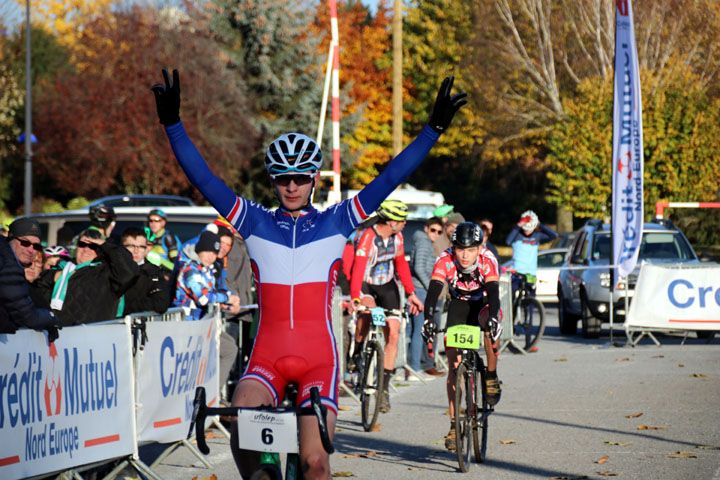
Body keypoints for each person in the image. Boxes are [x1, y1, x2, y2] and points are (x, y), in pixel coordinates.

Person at [151, 68, 465, 479]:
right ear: (273, 180)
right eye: (284, 178)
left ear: (314, 178)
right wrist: (173, 125)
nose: (292, 186)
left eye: (301, 177)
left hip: (318, 359)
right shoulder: (253, 221)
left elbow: (390, 176)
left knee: (316, 463)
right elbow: (204, 178)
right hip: (268, 357)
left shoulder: (338, 220)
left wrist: (433, 130)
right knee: (242, 422)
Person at [421, 222, 503, 451]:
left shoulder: (488, 259)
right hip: (459, 305)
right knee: (454, 367)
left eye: (470, 250)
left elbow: (495, 294)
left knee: (490, 327)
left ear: (480, 247)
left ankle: (491, 375)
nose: (465, 256)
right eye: (460, 249)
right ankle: (455, 424)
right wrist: (428, 319)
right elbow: (434, 291)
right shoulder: (445, 260)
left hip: (485, 303)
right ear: (453, 247)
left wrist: (494, 318)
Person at [349, 199, 424, 412]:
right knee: (369, 313)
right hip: (367, 285)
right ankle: (357, 351)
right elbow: (357, 269)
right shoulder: (368, 238)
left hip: (387, 286)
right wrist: (355, 298)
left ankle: (383, 389)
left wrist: (411, 293)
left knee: (393, 333)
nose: (405, 224)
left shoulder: (397, 238)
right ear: (390, 221)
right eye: (402, 220)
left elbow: (401, 265)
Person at [36, 228, 139, 325]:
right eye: (82, 244)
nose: (86, 249)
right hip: (62, 335)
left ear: (100, 250)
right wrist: (54, 277)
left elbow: (130, 272)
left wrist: (105, 244)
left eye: (92, 246)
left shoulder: (107, 273)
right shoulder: (63, 269)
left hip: (93, 336)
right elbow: (38, 287)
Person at [0, 234, 61, 338]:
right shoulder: (11, 289)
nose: (32, 267)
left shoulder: (42, 293)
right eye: (28, 263)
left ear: (42, 267)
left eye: (37, 262)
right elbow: (27, 317)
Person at [407, 216, 444, 380]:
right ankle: (414, 368)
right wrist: (432, 288)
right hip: (421, 290)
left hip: (421, 288)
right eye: (433, 230)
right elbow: (419, 268)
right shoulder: (423, 242)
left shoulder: (425, 242)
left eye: (439, 232)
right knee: (419, 330)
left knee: (415, 329)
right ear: (426, 229)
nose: (436, 234)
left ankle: (410, 368)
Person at [505, 210, 558, 297]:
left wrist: (539, 225)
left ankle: (529, 310)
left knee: (530, 296)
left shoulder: (537, 235)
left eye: (530, 230)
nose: (527, 232)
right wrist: (518, 226)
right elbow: (508, 241)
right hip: (517, 272)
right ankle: (513, 309)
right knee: (512, 294)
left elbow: (554, 236)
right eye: (525, 229)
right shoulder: (517, 234)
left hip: (531, 273)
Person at [121, 227, 171, 314]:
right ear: (121, 247)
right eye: (131, 246)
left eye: (141, 247)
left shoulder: (154, 272)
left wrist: (122, 305)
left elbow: (160, 304)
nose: (136, 251)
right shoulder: (109, 268)